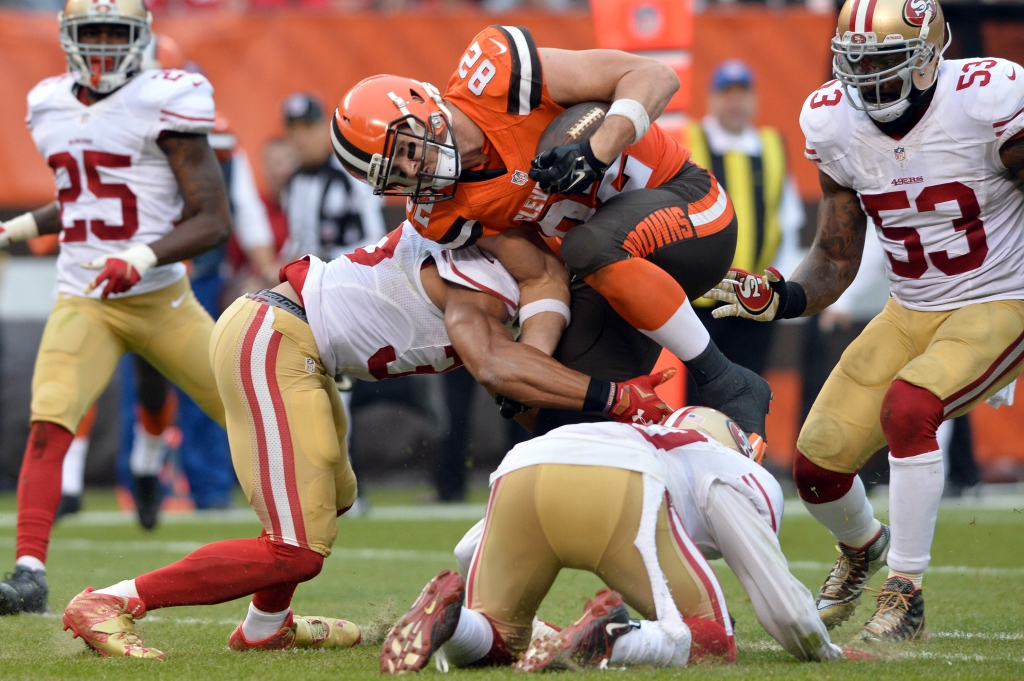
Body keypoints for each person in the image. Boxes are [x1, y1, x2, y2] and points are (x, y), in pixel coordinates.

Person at [61, 221, 675, 659]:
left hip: (303, 346)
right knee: (295, 547)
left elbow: (517, 396)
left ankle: (264, 626)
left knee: (333, 499)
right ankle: (111, 601)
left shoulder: (497, 273)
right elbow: (499, 372)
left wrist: (600, 423)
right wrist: (616, 398)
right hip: (275, 337)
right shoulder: (480, 274)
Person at [704, 0, 1024, 644]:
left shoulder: (987, 101)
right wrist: (786, 298)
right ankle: (861, 547)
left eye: (886, 59)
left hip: (999, 296)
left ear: (932, 53)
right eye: (859, 62)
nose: (871, 77)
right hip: (909, 307)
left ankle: (905, 593)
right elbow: (836, 253)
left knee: (909, 409)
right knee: (817, 465)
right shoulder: (834, 121)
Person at [332, 26, 772, 441]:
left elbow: (655, 76)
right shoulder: (444, 212)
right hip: (617, 277)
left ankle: (724, 378)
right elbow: (540, 275)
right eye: (397, 174)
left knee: (587, 245)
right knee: (559, 418)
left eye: (406, 149)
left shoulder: (497, 77)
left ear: (420, 102)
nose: (414, 169)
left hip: (691, 208)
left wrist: (595, 152)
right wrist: (535, 365)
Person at [0, 0, 231, 616]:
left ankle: (300, 519)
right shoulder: (49, 104)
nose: (102, 44)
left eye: (115, 32)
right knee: (50, 414)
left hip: (159, 296)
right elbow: (80, 198)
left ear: (141, 38)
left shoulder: (166, 97)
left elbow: (213, 219)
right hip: (85, 297)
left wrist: (141, 257)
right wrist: (16, 228)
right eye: (91, 32)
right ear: (69, 38)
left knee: (249, 402)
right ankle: (28, 571)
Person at [381, 407, 863, 673]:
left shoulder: (632, 431)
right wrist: (822, 650)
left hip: (521, 468)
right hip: (616, 484)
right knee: (712, 636)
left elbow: (469, 550)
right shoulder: (727, 465)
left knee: (500, 637)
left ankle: (454, 622)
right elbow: (781, 608)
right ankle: (618, 638)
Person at [687, 59, 805, 397]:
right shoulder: (690, 141)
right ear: (712, 99)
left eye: (743, 93)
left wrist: (777, 287)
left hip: (754, 300)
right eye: (727, 93)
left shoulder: (771, 146)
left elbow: (786, 222)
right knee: (697, 395)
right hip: (699, 300)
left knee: (747, 392)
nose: (735, 102)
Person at [281, 93, 386, 262]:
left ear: (324, 127)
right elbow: (298, 239)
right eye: (293, 129)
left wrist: (324, 259)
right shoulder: (293, 181)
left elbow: (375, 239)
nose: (300, 138)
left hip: (346, 273)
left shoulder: (351, 175)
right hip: (305, 275)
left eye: (307, 127)